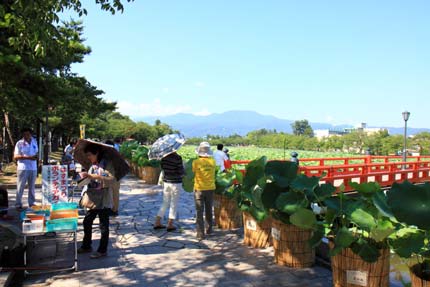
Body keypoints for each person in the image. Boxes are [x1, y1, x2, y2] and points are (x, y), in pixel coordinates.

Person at [77, 143, 115, 259]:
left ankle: (102, 250)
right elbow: (89, 178)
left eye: (90, 155)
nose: (88, 157)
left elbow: (111, 179)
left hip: (103, 199)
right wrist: (83, 179)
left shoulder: (107, 164)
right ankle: (87, 245)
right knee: (87, 221)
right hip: (93, 198)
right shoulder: (92, 165)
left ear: (96, 153)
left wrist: (94, 177)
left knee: (103, 225)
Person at [154, 151, 185, 231]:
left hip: (166, 182)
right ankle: (170, 224)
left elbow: (163, 169)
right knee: (174, 203)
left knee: (165, 202)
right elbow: (181, 171)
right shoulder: (177, 157)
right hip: (176, 183)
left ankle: (157, 221)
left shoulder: (163, 158)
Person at [192, 142, 216, 240]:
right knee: (209, 209)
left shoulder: (196, 162)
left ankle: (200, 233)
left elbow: (194, 171)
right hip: (210, 188)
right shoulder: (213, 161)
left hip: (199, 188)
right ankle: (209, 229)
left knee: (199, 211)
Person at [13, 128, 38, 209]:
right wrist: (28, 157)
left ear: (30, 134)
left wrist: (37, 158)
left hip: (33, 168)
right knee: (20, 186)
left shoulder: (34, 142)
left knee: (32, 187)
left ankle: (32, 203)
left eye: (28, 134)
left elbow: (36, 153)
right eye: (24, 134)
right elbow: (16, 156)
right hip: (23, 168)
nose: (26, 136)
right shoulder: (19, 143)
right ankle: (18, 204)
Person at [104, 139, 120, 217]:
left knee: (112, 193)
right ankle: (114, 209)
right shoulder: (116, 153)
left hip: (112, 176)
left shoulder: (108, 154)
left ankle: (113, 209)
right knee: (115, 193)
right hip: (117, 176)